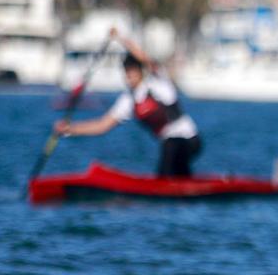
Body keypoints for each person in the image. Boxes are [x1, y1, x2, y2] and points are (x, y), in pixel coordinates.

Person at [53, 32, 203, 177]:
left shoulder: (158, 81)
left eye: (132, 72)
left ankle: (167, 185)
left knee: (169, 151)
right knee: (173, 159)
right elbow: (102, 125)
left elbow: (145, 58)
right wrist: (70, 128)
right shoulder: (128, 100)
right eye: (126, 73)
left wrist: (120, 38)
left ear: (141, 71)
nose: (129, 76)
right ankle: (184, 187)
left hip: (190, 140)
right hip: (170, 145)